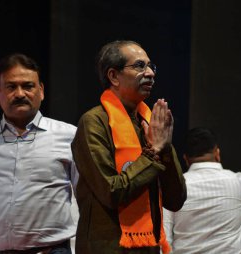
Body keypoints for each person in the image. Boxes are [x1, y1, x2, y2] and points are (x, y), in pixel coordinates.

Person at [0, 53, 79, 254]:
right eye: (11, 87)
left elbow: (88, 203)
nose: (20, 93)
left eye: (28, 86)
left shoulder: (70, 136)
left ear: (41, 91)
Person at [71, 40, 187, 254]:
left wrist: (165, 149)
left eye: (151, 66)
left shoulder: (150, 123)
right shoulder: (95, 122)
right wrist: (152, 154)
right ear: (113, 76)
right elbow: (112, 191)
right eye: (139, 66)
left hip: (149, 247)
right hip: (107, 248)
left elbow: (176, 199)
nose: (150, 73)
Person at [163, 127, 241, 254]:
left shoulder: (174, 187)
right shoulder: (239, 182)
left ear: (185, 159)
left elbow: (164, 237)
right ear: (217, 153)